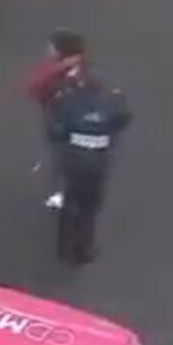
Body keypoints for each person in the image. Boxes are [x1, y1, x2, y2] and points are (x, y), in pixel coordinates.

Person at [42, 35, 132, 265]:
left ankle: (63, 247)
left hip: (74, 161)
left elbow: (55, 129)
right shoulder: (110, 103)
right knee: (90, 208)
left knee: (71, 202)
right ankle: (83, 251)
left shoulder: (68, 101)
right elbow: (123, 119)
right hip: (97, 164)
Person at [27, 30, 86, 210]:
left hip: (61, 121)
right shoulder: (83, 68)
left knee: (62, 158)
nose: (48, 50)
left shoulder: (55, 72)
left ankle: (66, 193)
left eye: (52, 47)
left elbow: (35, 87)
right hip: (74, 120)